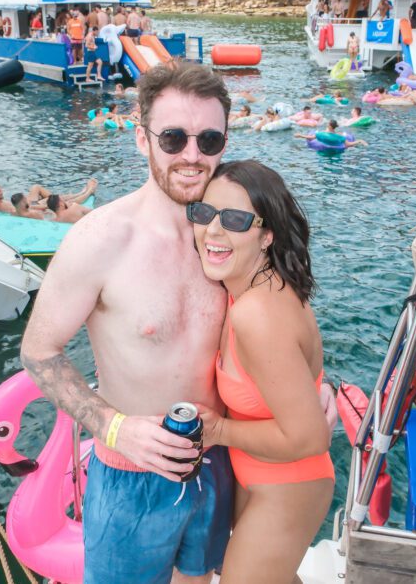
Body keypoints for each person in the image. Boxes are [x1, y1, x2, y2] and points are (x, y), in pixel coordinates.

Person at [19, 63, 337, 584]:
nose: (192, 155)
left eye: (208, 139)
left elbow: (282, 325)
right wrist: (113, 427)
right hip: (131, 476)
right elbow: (38, 351)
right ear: (142, 139)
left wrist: (314, 387)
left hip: (219, 464)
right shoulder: (99, 241)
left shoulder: (224, 243)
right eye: (173, 138)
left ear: (223, 143)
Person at [189, 159, 334, 584]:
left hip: (288, 486)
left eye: (235, 220)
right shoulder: (249, 287)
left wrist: (217, 432)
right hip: (258, 477)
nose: (213, 231)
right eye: (204, 213)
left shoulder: (257, 314)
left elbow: (309, 437)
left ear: (266, 235)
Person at [0, 179, 97, 214]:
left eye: (0, 189)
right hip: (30, 206)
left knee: (35, 187)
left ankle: (77, 194)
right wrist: (40, 207)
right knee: (54, 200)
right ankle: (86, 192)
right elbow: (22, 210)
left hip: (28, 203)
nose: (1, 192)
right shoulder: (0, 206)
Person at [296, 119, 368, 147]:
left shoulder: (320, 134)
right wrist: (359, 141)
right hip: (336, 146)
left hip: (323, 146)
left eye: (328, 124)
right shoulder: (341, 137)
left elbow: (311, 138)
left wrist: (300, 135)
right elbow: (349, 144)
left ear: (330, 126)